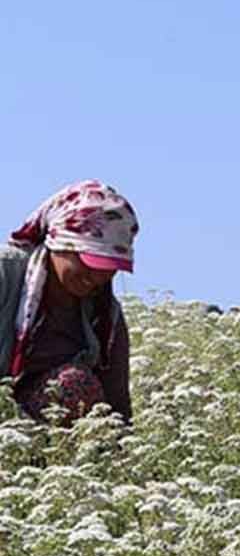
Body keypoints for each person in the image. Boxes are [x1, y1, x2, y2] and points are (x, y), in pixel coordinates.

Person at [0, 180, 139, 422]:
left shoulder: (105, 316)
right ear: (59, 243)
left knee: (75, 384)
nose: (97, 277)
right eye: (90, 262)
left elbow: (117, 409)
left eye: (108, 268)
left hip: (37, 432)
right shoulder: (6, 273)